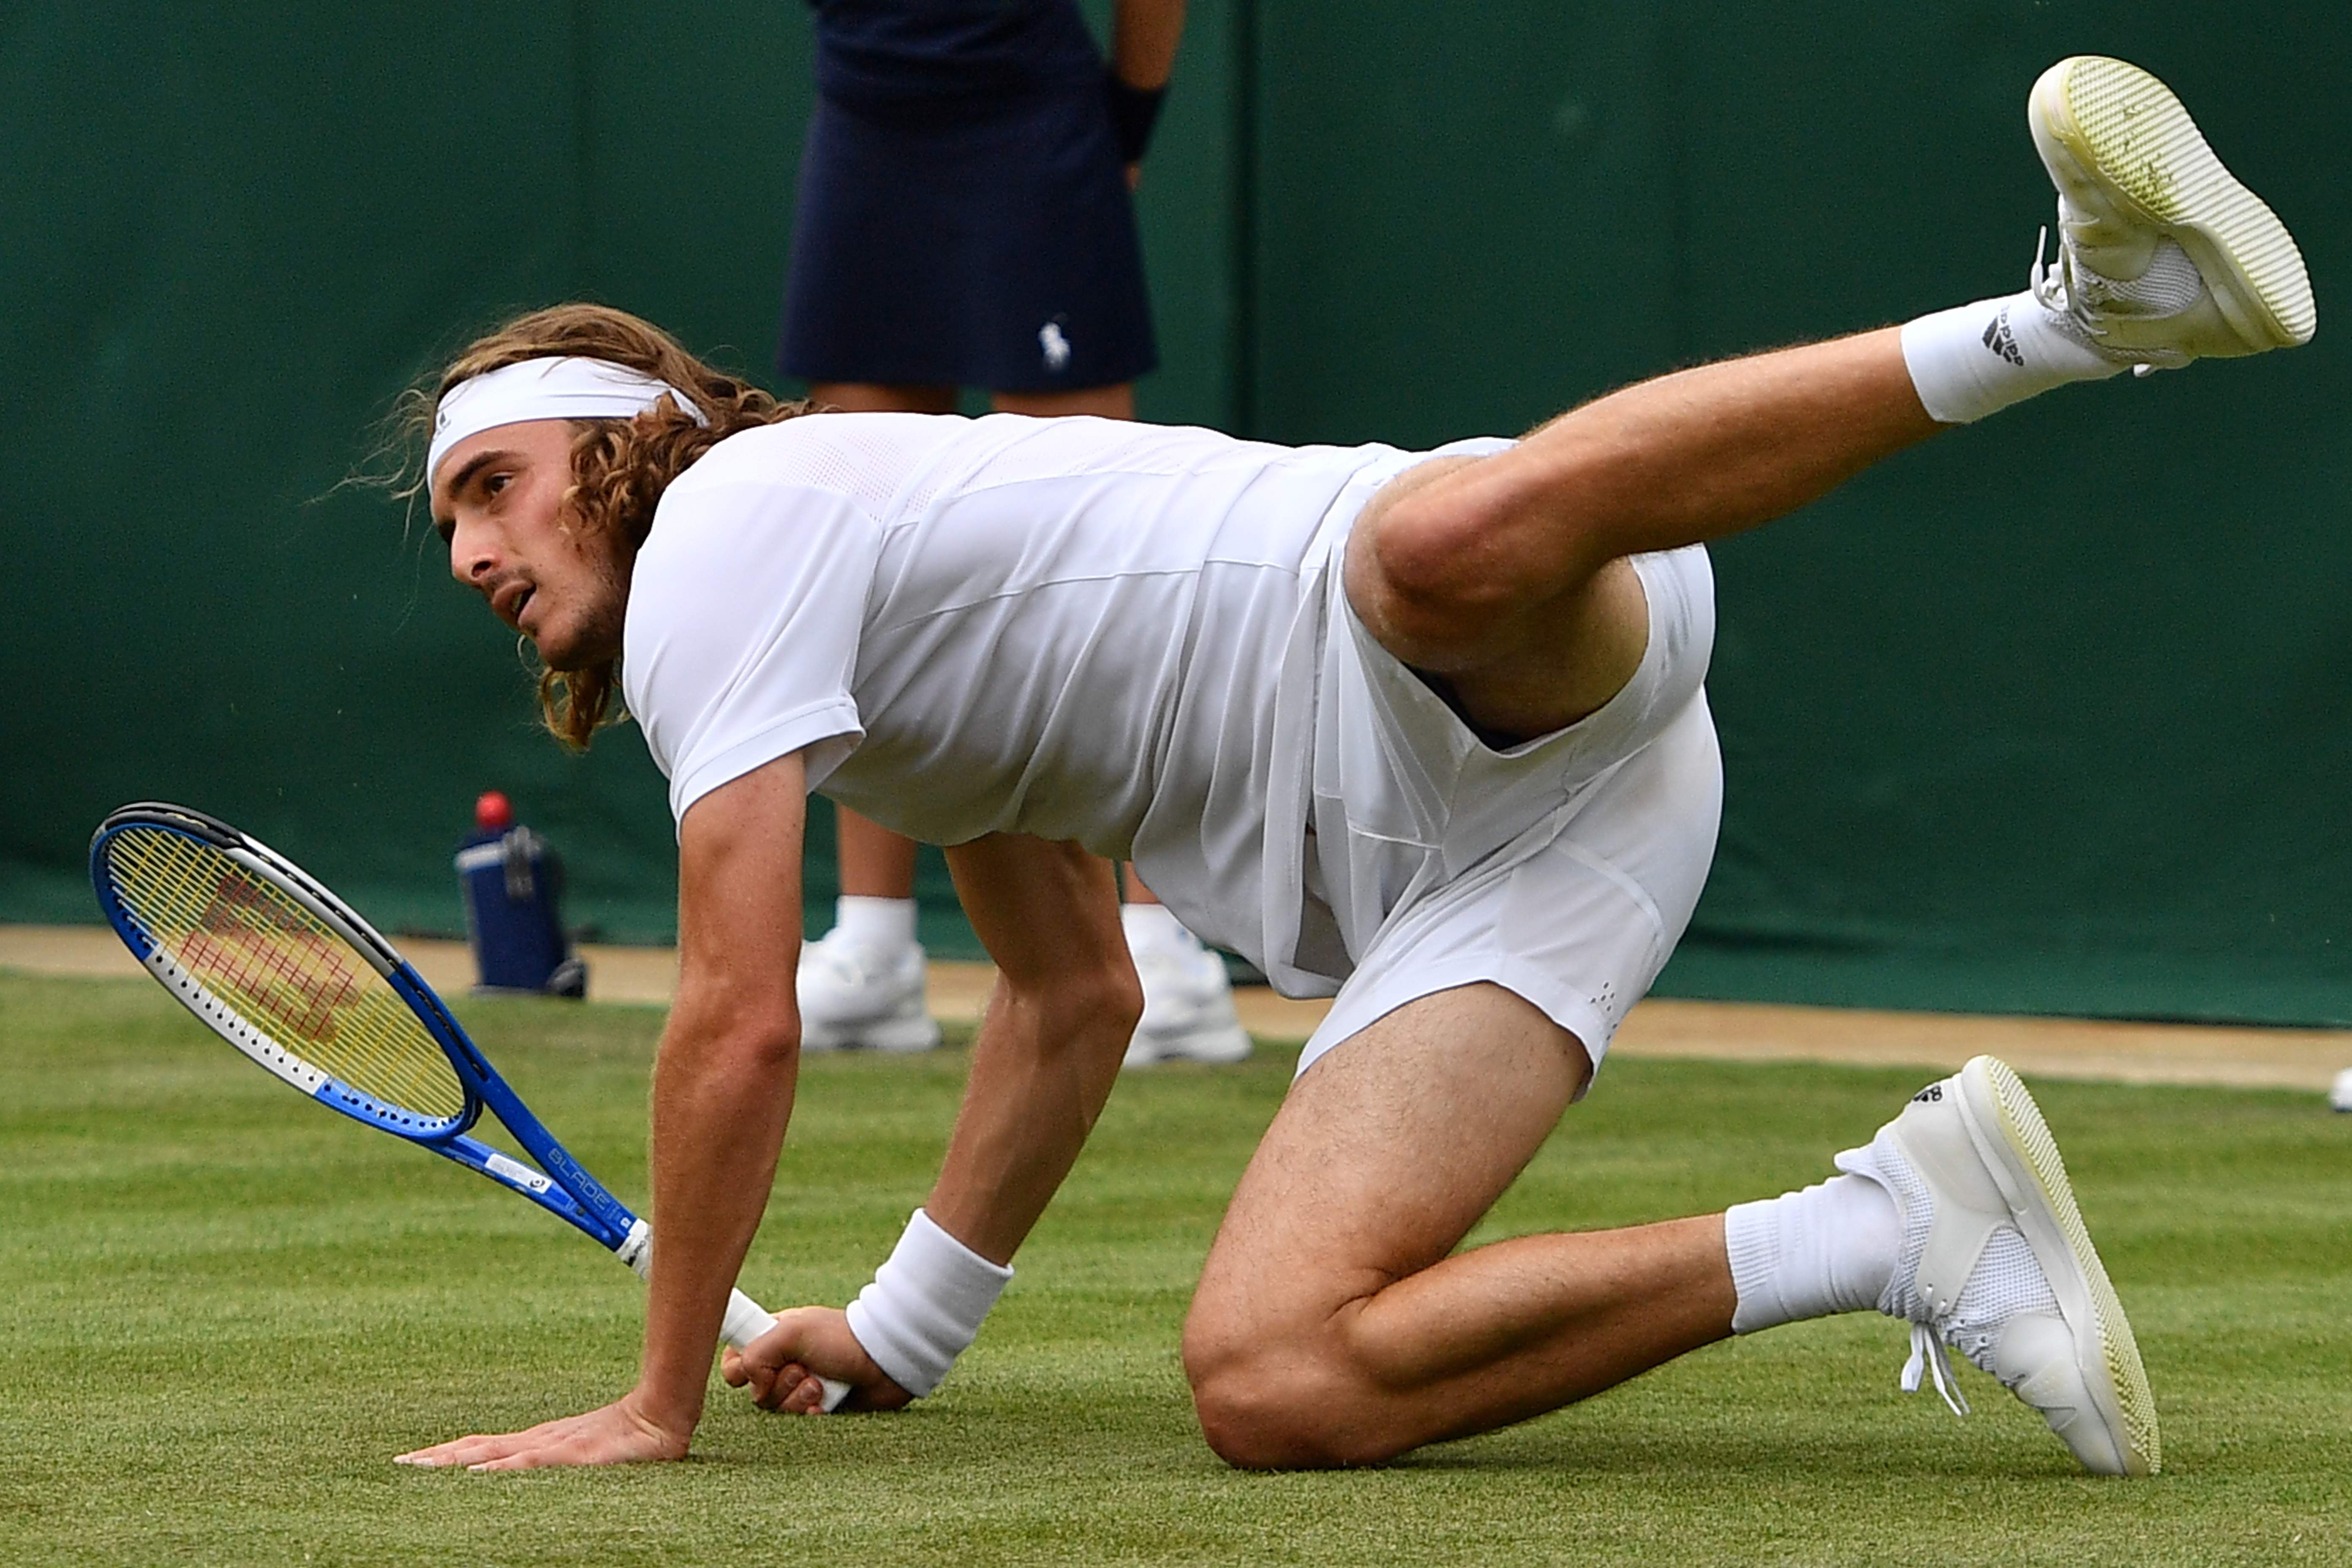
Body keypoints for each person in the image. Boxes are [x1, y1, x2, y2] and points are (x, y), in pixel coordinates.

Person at [392, 57, 2309, 1475]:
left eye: (494, 484)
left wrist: (656, 1402)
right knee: (1271, 1377)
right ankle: (1896, 1226)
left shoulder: (727, 529)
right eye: (448, 522)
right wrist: (903, 1328)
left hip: (1474, 628)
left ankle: (2069, 319)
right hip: (1561, 849)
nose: (473, 552)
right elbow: (1069, 1001)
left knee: (1423, 552)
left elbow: (736, 1021)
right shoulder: (871, 686)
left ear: (627, 447)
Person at [779, 0, 1247, 1067]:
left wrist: (1126, 123)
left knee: (1102, 560)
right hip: (864, 120)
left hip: (1032, 118)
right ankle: (873, 946)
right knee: (861, 551)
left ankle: (1161, 944)